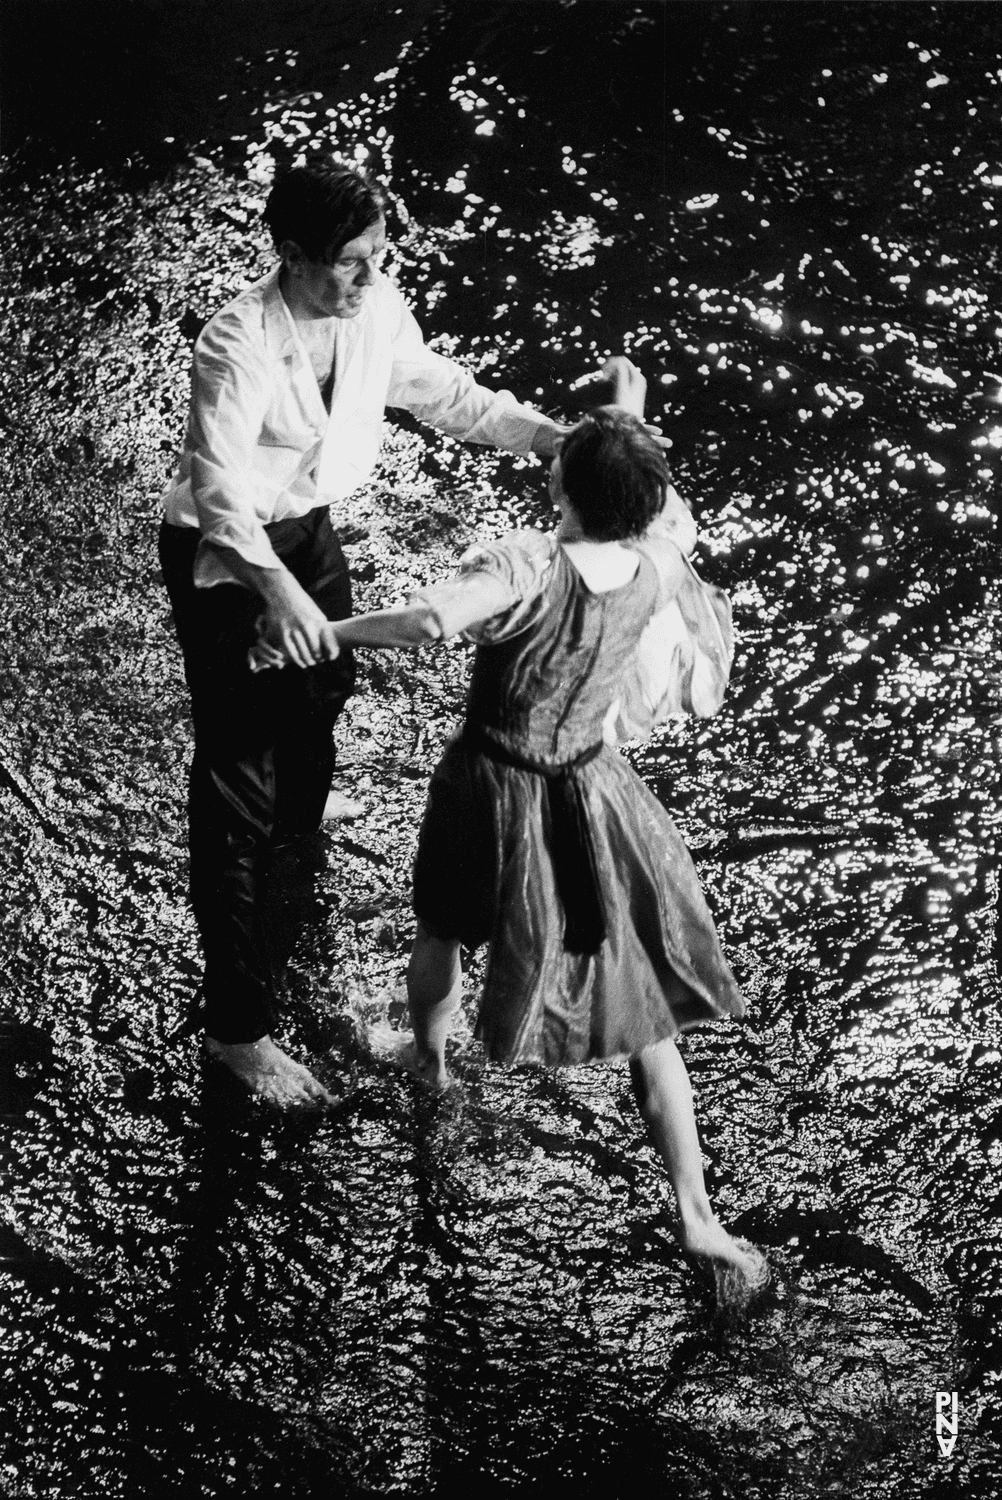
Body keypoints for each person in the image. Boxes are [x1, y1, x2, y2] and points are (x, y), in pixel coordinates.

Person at [312, 367, 768, 1299]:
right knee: (649, 1023)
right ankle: (699, 1217)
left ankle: (429, 1063)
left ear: (560, 488)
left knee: (440, 926)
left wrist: (324, 629)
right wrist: (630, 425)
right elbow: (649, 500)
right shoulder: (659, 557)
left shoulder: (527, 566)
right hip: (596, 797)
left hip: (493, 789)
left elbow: (434, 618)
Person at [158, 160, 570, 1107]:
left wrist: (548, 436)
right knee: (233, 781)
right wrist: (275, 592)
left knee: (324, 690)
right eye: (349, 264)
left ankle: (299, 818)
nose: (370, 280)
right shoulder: (239, 339)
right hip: (225, 557)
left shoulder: (375, 309)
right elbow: (218, 491)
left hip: (307, 528)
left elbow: (445, 393)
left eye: (379, 259)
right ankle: (238, 1033)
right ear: (293, 257)